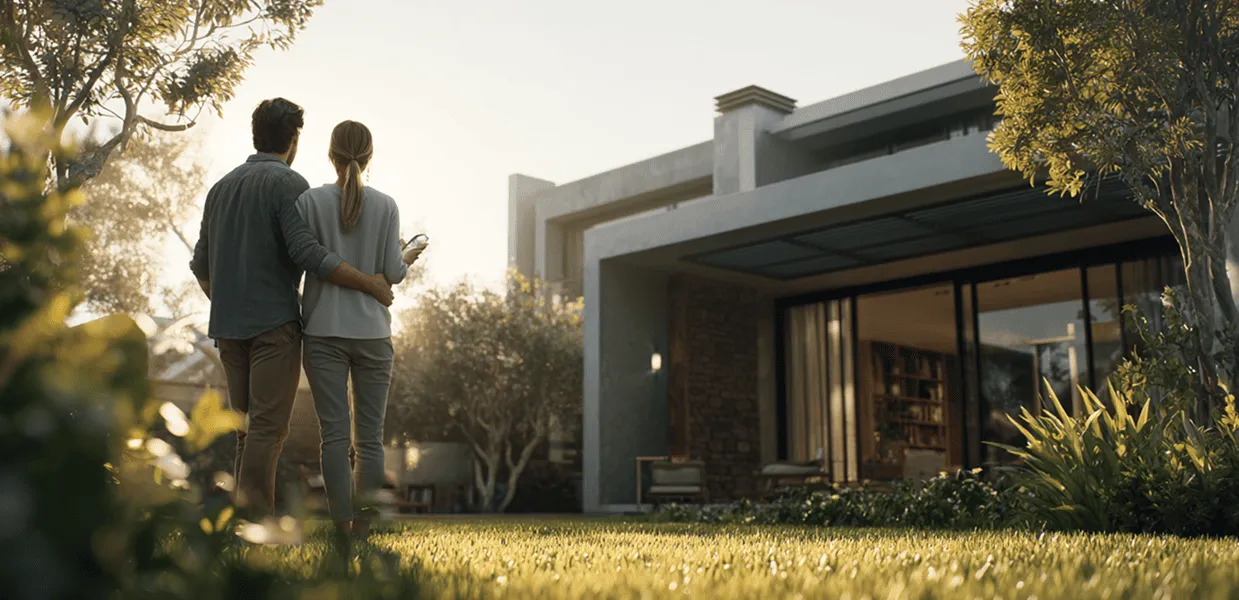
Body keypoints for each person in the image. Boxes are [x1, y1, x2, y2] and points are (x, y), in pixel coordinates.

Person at [190, 99, 395, 518]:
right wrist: (370, 283)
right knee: (266, 430)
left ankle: (244, 523)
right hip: (274, 328)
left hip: (228, 329)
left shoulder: (221, 187)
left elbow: (201, 266)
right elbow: (308, 253)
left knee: (248, 432)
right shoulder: (289, 185)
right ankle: (254, 527)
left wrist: (230, 302)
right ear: (294, 139)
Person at [295, 120, 424, 538]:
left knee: (333, 438)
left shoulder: (309, 202)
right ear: (369, 157)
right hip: (373, 334)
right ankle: (365, 530)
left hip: (321, 331)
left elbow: (304, 260)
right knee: (370, 441)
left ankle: (339, 527)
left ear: (330, 154)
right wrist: (408, 256)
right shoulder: (386, 205)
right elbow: (392, 273)